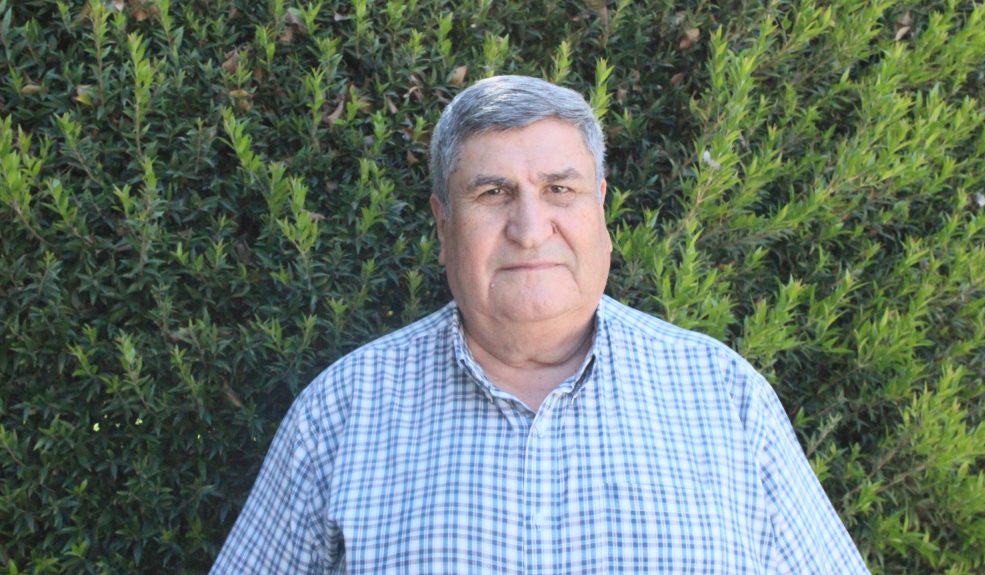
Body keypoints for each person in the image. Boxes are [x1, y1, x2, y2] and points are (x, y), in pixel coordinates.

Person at [211, 75, 869, 573]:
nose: (530, 229)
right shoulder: (341, 413)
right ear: (443, 226)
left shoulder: (725, 398)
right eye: (493, 193)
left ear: (600, 210)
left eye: (559, 189)